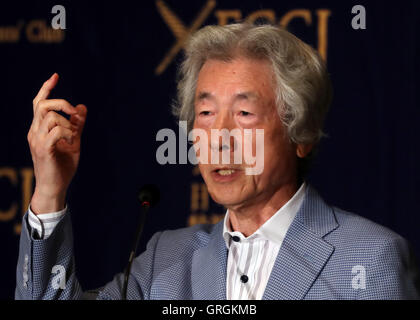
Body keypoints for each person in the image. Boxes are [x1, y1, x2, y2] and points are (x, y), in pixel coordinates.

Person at [16, 23, 419, 300]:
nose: (220, 139)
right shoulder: (165, 260)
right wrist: (50, 191)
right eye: (206, 115)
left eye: (244, 114)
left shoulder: (369, 257)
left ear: (301, 135)